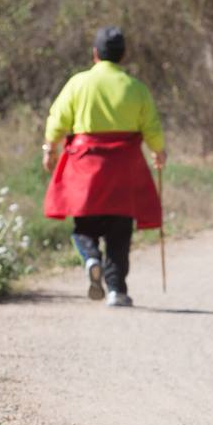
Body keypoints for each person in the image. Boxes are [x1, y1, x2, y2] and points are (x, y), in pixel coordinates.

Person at [43, 26, 166, 308]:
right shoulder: (135, 88)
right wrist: (158, 151)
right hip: (124, 169)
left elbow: (58, 118)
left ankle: (91, 259)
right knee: (120, 230)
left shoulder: (78, 83)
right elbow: (152, 127)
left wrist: (49, 148)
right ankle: (116, 290)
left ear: (95, 53)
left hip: (85, 167)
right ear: (123, 55)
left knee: (84, 225)